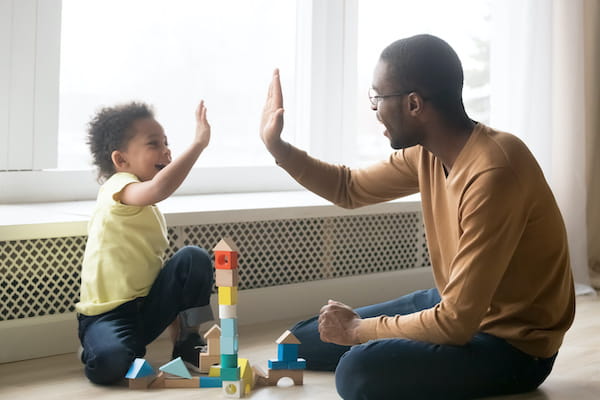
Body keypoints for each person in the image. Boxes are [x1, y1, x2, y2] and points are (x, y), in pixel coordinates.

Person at [259, 34, 575, 400]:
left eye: (378, 97)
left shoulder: (494, 172)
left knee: (357, 371)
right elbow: (349, 187)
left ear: (413, 104)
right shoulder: (427, 154)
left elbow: (455, 323)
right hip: (455, 306)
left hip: (513, 345)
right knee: (302, 340)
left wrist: (359, 329)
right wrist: (278, 148)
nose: (374, 109)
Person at [76, 101, 214, 385]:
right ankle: (96, 347)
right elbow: (160, 188)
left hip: (147, 307)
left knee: (193, 257)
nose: (166, 150)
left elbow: (157, 272)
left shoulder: (145, 204)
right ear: (121, 161)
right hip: (109, 314)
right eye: (154, 144)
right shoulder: (117, 186)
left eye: (166, 142)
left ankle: (189, 340)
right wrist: (198, 144)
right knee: (111, 366)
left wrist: (177, 322)